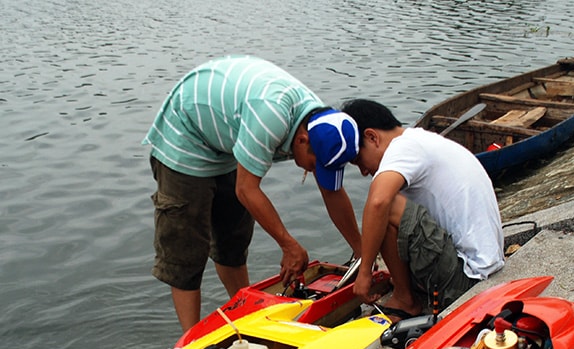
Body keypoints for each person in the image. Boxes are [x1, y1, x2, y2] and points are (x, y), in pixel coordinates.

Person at [143, 55, 362, 332]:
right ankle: (192, 345)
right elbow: (246, 189)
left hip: (225, 138)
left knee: (232, 238)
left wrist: (362, 251)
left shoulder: (321, 125)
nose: (317, 172)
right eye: (315, 165)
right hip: (186, 135)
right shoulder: (270, 116)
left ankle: (245, 318)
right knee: (187, 250)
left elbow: (333, 193)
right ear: (302, 140)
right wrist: (288, 245)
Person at [342, 99, 505, 322]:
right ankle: (407, 285)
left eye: (359, 160)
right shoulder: (420, 139)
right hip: (480, 264)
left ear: (372, 137)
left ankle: (405, 300)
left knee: (384, 205)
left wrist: (365, 272)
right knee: (388, 200)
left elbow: (378, 203)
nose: (362, 171)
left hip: (469, 279)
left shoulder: (403, 148)